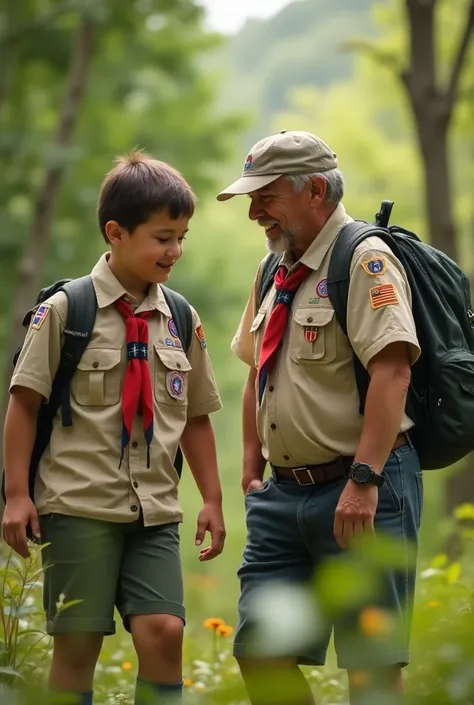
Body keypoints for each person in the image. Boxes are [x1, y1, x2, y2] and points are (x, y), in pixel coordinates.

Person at [2, 152, 226, 705]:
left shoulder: (180, 318)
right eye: (162, 237)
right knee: (77, 646)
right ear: (116, 233)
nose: (175, 251)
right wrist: (14, 495)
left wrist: (213, 499)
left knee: (164, 632)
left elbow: (196, 415)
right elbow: (24, 404)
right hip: (77, 504)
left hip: (154, 509)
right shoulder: (64, 310)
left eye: (182, 237)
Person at [217, 130, 423, 705]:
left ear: (313, 191)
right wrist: (253, 466)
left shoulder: (364, 259)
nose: (254, 211)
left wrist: (363, 482)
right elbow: (258, 368)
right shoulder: (272, 270)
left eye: (265, 196)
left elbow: (393, 374)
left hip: (362, 491)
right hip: (282, 497)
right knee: (260, 652)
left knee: (371, 666)